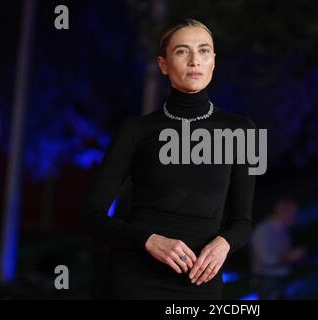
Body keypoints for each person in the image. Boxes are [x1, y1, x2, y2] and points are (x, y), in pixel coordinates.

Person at [79, 18, 257, 299]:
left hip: (200, 283)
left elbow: (243, 222)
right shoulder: (136, 130)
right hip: (134, 280)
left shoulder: (242, 130)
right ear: (163, 64)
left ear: (214, 61)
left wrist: (224, 243)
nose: (194, 60)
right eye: (182, 51)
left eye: (204, 50)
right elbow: (90, 216)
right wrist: (148, 240)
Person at [250, 197, 306, 299]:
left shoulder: (284, 230)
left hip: (280, 279)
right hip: (268, 281)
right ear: (281, 212)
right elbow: (267, 260)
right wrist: (290, 257)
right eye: (293, 212)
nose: (295, 216)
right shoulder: (264, 230)